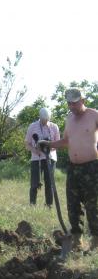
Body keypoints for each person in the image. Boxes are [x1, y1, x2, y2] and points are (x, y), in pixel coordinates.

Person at [38, 88, 98, 251]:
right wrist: (49, 144)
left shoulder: (94, 115)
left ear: (83, 100)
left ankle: (95, 241)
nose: (71, 106)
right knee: (73, 205)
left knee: (93, 205)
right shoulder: (69, 118)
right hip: (73, 168)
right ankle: (77, 240)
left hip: (92, 167)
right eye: (69, 103)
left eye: (74, 103)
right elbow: (66, 141)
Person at [24, 108, 60, 206]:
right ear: (39, 117)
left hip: (50, 158)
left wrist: (48, 146)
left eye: (47, 119)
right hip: (36, 158)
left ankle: (49, 205)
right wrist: (35, 150)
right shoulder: (32, 126)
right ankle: (32, 204)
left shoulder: (54, 127)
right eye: (43, 120)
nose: (45, 121)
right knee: (34, 183)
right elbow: (27, 143)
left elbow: (58, 144)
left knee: (49, 183)